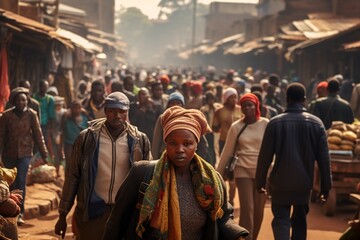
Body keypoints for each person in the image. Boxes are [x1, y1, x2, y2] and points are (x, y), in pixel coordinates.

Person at [102, 106, 249, 240]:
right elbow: (117, 221)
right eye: (173, 143)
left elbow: (222, 217)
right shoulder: (143, 174)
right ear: (166, 143)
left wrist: (239, 234)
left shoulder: (211, 179)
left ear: (196, 145)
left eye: (187, 144)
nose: (180, 149)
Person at [54, 92, 152, 239]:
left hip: (125, 211)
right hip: (93, 210)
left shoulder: (140, 140)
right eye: (112, 111)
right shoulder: (87, 138)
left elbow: (148, 179)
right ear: (105, 111)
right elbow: (73, 176)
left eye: (122, 111)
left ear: (127, 113)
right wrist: (63, 214)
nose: (117, 116)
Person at [255, 83, 332, 240]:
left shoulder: (275, 123)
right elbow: (324, 160)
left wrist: (260, 181)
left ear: (287, 99)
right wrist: (326, 187)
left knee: (281, 220)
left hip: (280, 183)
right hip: (304, 184)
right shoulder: (317, 124)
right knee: (300, 221)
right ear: (304, 99)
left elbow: (264, 157)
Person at [217, 93, 269, 240]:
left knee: (259, 211)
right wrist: (217, 175)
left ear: (256, 106)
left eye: (250, 105)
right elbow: (227, 151)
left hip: (262, 172)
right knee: (248, 209)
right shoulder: (236, 126)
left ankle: (253, 237)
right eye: (244, 105)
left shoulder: (266, 124)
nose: (247, 108)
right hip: (242, 171)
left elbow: (272, 149)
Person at [0, 87, 48, 225]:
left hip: (25, 153)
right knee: (9, 182)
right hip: (9, 154)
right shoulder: (7, 116)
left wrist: (44, 155)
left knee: (21, 180)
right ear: (14, 101)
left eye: (25, 100)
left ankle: (20, 212)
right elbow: (1, 137)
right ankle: (9, 210)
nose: (22, 102)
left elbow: (38, 135)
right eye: (20, 100)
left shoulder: (32, 114)